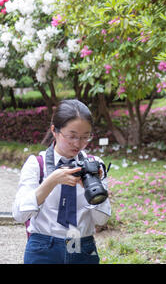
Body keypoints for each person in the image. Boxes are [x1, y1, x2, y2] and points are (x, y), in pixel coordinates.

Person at [12, 99, 111, 264]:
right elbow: (19, 215)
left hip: (82, 246)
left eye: (85, 137)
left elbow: (102, 219)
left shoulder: (94, 165)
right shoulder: (37, 164)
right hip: (43, 248)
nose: (78, 144)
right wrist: (51, 181)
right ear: (54, 131)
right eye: (71, 136)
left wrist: (92, 189)